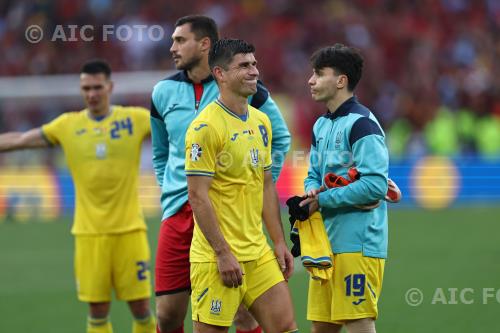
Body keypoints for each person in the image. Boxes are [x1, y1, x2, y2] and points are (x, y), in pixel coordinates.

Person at [150, 15, 290, 333]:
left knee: (242, 311)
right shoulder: (162, 92)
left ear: (204, 44)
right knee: (168, 313)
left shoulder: (244, 86)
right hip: (180, 209)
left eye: (179, 40)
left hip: (227, 211)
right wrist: (170, 186)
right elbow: (161, 152)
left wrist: (255, 183)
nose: (172, 47)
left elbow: (279, 140)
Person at [0, 59, 155, 333]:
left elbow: (176, 128)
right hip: (88, 233)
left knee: (141, 307)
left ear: (110, 87)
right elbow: (20, 140)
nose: (92, 94)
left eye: (97, 87)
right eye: (86, 88)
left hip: (130, 230)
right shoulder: (67, 125)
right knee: (96, 309)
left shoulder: (135, 119)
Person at [185, 38, 298, 333]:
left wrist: (278, 241)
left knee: (285, 327)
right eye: (244, 66)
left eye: (255, 64)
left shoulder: (262, 122)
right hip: (216, 258)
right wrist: (222, 253)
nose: (254, 72)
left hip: (258, 253)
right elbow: (197, 197)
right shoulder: (205, 128)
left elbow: (265, 186)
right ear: (220, 74)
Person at [299, 44, 389, 333]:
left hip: (358, 245)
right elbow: (313, 174)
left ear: (341, 81)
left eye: (318, 74)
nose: (310, 81)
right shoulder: (320, 125)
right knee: (321, 326)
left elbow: (375, 185)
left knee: (358, 322)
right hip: (325, 245)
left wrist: (323, 200)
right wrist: (312, 191)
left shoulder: (363, 124)